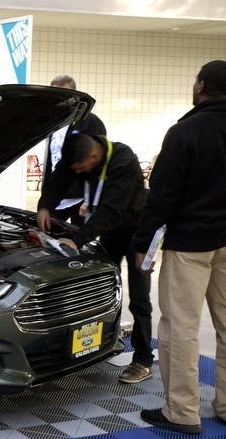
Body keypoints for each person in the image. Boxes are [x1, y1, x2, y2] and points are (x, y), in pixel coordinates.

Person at [133, 60, 226, 435]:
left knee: (180, 326)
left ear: (200, 86)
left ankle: (181, 411)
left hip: (190, 245)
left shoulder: (183, 133)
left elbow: (161, 197)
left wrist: (144, 245)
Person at [37, 133, 154, 384]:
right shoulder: (78, 157)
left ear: (93, 156)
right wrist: (44, 205)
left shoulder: (124, 161)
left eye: (81, 169)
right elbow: (60, 178)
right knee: (100, 290)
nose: (78, 173)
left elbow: (112, 211)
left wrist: (77, 240)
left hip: (137, 234)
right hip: (108, 232)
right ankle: (102, 342)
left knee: (139, 298)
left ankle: (143, 359)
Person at [41, 75, 106, 225]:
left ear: (76, 96)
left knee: (79, 243)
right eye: (56, 95)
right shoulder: (54, 123)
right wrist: (46, 197)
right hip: (58, 195)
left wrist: (90, 200)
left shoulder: (90, 121)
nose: (60, 99)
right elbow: (52, 160)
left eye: (65, 95)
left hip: (81, 198)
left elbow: (99, 163)